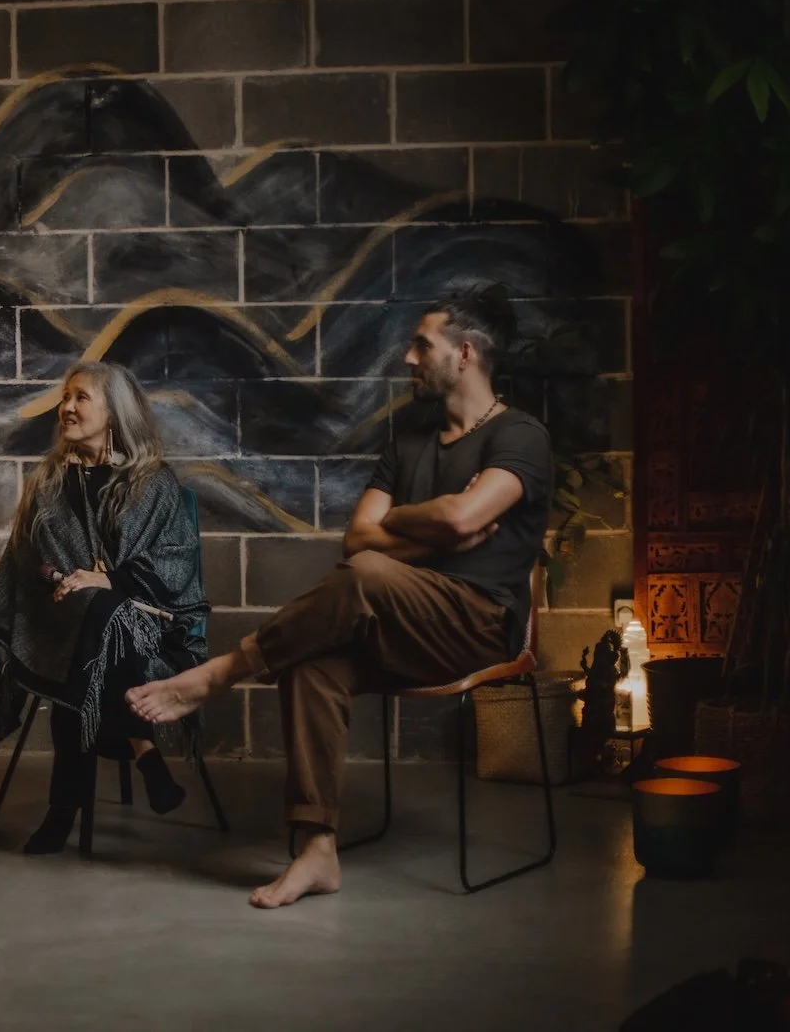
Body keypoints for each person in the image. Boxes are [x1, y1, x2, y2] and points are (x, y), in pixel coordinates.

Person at [128, 286, 551, 907]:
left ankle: (216, 674)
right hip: (399, 621)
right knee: (312, 661)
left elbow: (462, 520)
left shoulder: (520, 437)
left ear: (464, 354)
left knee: (368, 579)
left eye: (421, 346)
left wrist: (413, 527)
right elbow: (358, 538)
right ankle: (316, 850)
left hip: (477, 626)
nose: (407, 359)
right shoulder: (410, 435)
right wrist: (430, 526)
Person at [0, 362, 210, 855]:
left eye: (81, 398)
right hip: (57, 625)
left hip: (148, 627)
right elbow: (18, 564)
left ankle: (62, 810)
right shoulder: (47, 484)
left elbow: (175, 562)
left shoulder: (153, 482)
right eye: (65, 398)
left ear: (115, 411)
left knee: (98, 616)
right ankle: (144, 750)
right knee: (90, 616)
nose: (66, 408)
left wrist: (106, 580)